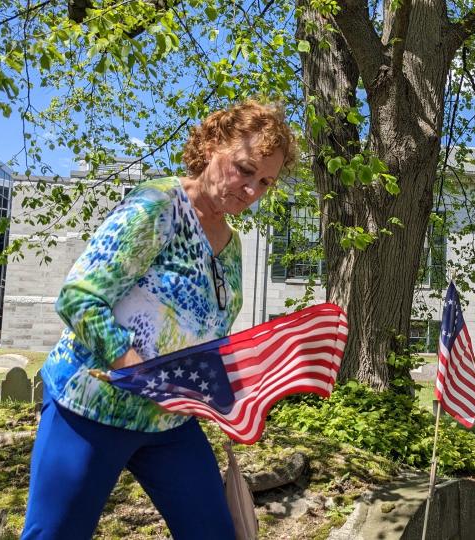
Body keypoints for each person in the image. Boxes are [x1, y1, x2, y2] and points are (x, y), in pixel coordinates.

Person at [21, 100, 297, 539]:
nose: (251, 190)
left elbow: (209, 331)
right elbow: (78, 299)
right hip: (91, 408)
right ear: (211, 146)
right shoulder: (157, 207)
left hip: (169, 423)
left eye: (265, 182)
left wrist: (222, 391)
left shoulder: (233, 242)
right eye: (245, 170)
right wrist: (137, 369)